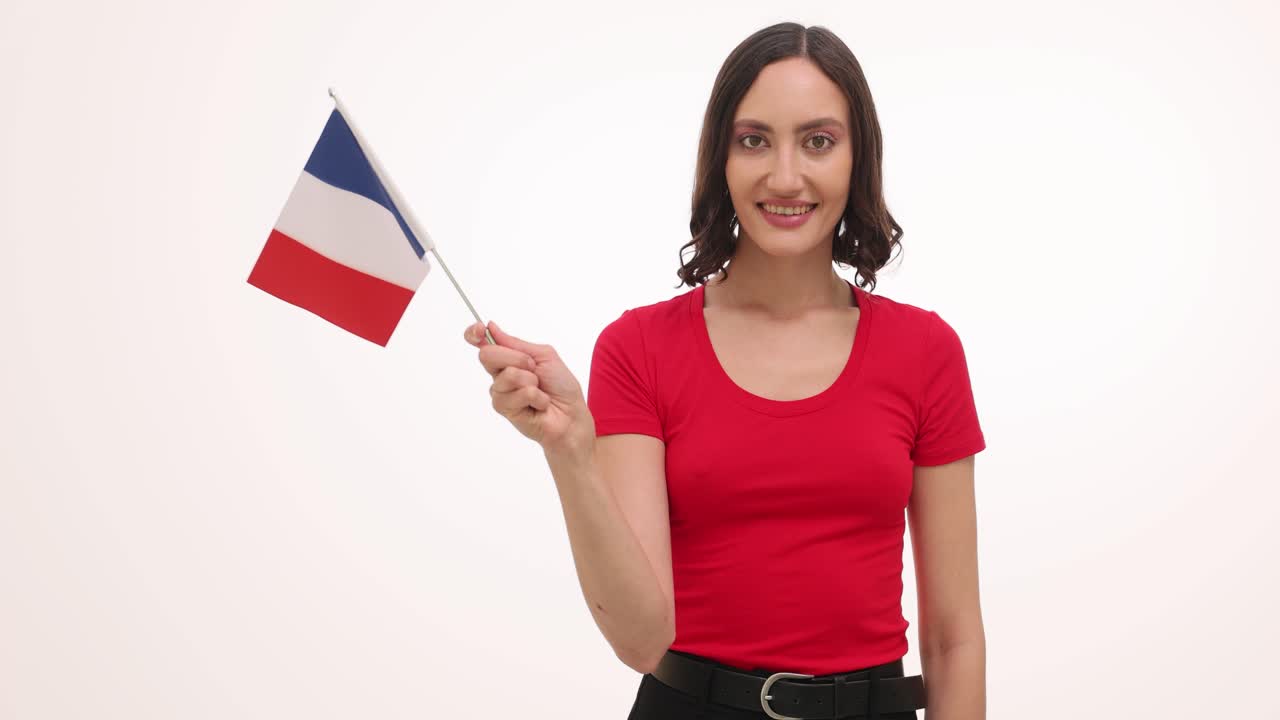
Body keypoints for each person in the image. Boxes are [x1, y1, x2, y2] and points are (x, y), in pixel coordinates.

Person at [463, 21, 986, 720]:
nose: (785, 176)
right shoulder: (638, 348)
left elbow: (953, 641)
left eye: (818, 141)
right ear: (721, 159)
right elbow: (641, 637)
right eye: (754, 140)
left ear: (858, 159)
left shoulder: (926, 352)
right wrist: (570, 450)